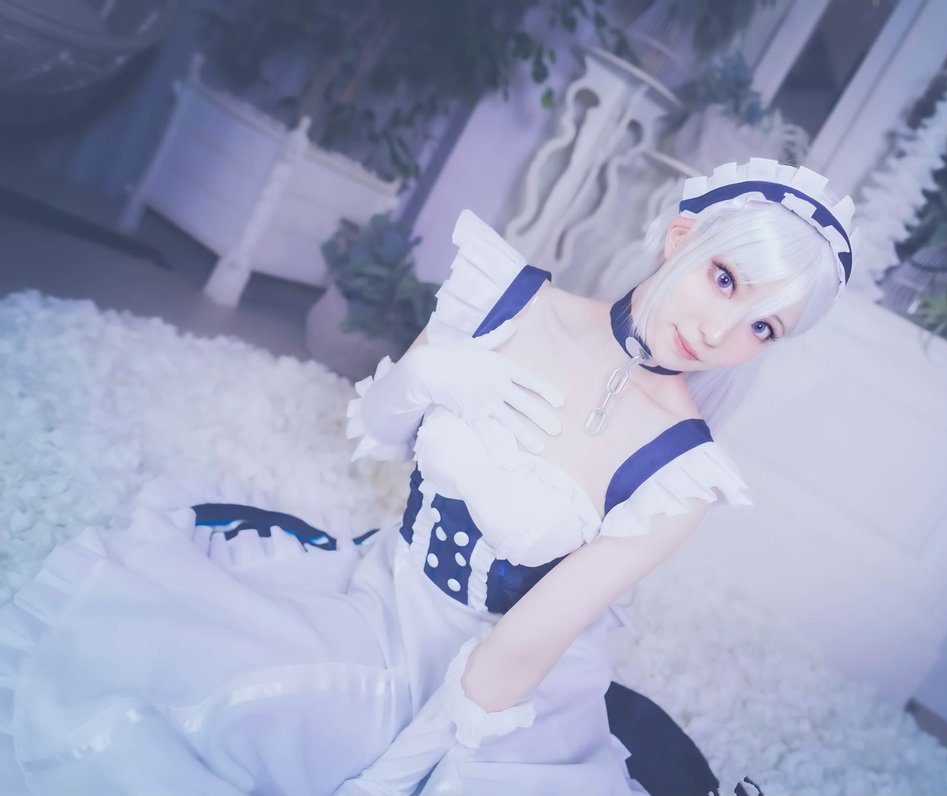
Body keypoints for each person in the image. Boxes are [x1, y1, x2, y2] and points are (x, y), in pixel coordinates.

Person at [0, 158, 854, 796]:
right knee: (181, 673)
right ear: (681, 238)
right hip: (382, 585)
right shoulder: (506, 300)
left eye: (763, 327)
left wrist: (396, 777)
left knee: (268, 709)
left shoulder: (682, 474)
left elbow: (517, 652)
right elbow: (377, 432)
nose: (720, 332)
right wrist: (430, 376)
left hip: (486, 682)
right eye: (724, 280)